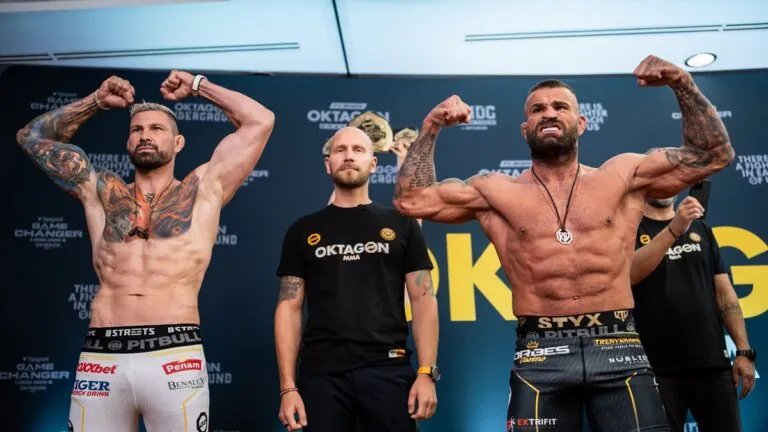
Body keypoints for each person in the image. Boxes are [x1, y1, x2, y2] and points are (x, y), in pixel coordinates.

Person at [393, 55, 735, 431]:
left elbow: (713, 155)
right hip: (539, 353)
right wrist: (432, 125)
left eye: (560, 106)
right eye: (537, 109)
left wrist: (683, 83)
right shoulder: (495, 191)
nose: (549, 113)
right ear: (525, 128)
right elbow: (412, 201)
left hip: (619, 345)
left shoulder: (623, 177)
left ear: (581, 123)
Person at [16, 72, 274, 431]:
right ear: (128, 141)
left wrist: (198, 86)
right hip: (102, 356)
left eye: (156, 128)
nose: (145, 135)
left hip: (175, 355)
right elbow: (30, 137)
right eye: (137, 129)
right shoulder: (99, 191)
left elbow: (260, 120)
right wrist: (95, 102)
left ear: (178, 142)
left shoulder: (204, 188)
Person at [275, 127, 439, 431]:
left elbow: (423, 299)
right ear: (328, 164)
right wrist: (288, 387)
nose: (349, 156)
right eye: (340, 150)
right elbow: (289, 307)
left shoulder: (402, 225)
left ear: (373, 164)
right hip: (321, 376)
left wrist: (426, 373)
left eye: (358, 149)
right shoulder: (302, 230)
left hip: (388, 370)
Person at [631, 193, 756, 432]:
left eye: (670, 178)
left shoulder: (701, 229)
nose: (666, 186)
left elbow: (725, 294)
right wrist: (674, 228)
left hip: (712, 364)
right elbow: (630, 275)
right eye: (659, 178)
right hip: (654, 369)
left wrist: (743, 351)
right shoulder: (630, 230)